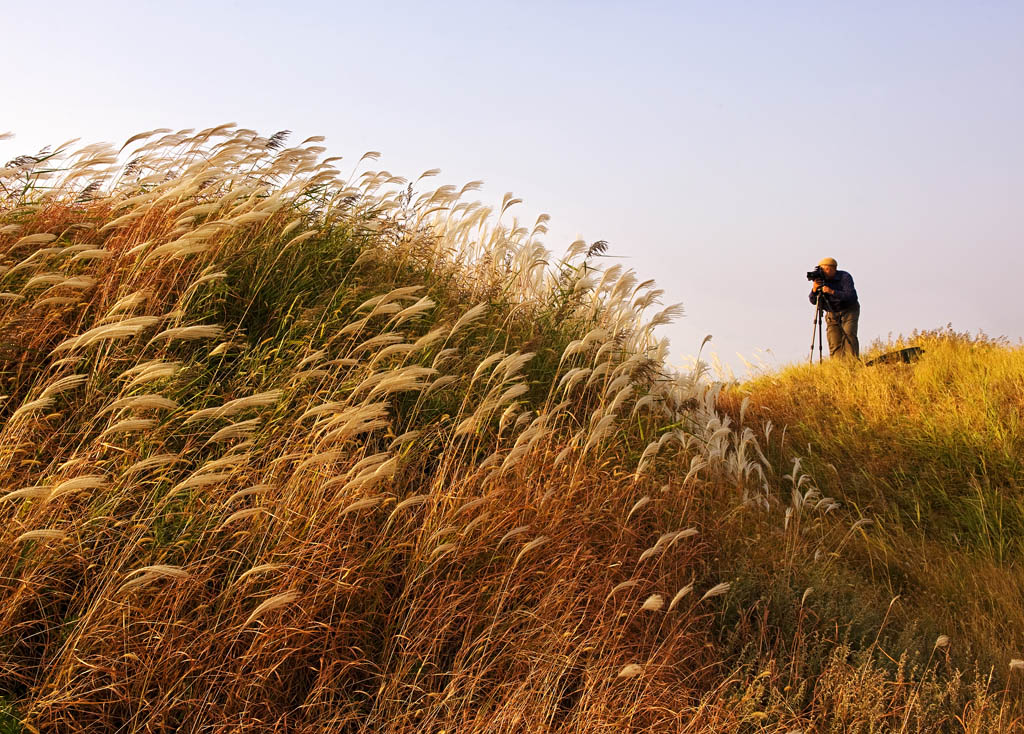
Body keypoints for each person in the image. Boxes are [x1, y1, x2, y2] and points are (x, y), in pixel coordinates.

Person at [809, 257, 860, 359]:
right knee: (834, 339)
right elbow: (813, 301)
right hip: (831, 312)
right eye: (821, 269)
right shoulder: (820, 280)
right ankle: (837, 366)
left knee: (849, 335)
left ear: (833, 269)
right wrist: (814, 290)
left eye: (825, 269)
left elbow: (851, 296)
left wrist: (832, 292)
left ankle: (852, 362)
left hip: (849, 310)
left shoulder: (845, 277)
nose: (823, 272)